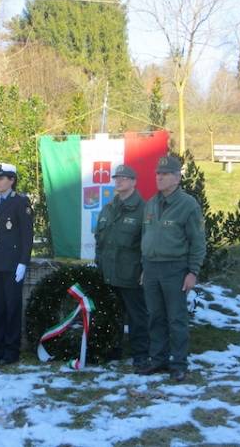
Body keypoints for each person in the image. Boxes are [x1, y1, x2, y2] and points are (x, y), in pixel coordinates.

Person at [139, 155, 206, 382]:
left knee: (176, 318)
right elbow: (146, 236)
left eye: (165, 174)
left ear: (177, 178)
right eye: (158, 173)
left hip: (175, 269)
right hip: (151, 268)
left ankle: (179, 364)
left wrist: (192, 272)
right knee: (155, 316)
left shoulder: (188, 205)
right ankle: (158, 360)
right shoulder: (151, 203)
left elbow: (197, 241)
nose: (159, 177)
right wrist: (144, 266)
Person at [95, 164, 150, 372]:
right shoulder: (109, 208)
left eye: (124, 178)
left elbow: (147, 243)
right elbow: (100, 240)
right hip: (109, 273)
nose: (119, 181)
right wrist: (99, 263)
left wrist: (145, 270)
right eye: (117, 178)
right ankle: (113, 349)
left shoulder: (144, 210)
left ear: (134, 182)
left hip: (132, 273)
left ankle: (141, 354)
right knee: (112, 313)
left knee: (137, 316)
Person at [0, 163, 33, 364]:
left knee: (12, 307)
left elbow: (27, 235)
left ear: (12, 180)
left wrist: (23, 262)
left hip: (12, 264)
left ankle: (11, 351)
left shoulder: (21, 202)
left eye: (2, 178)